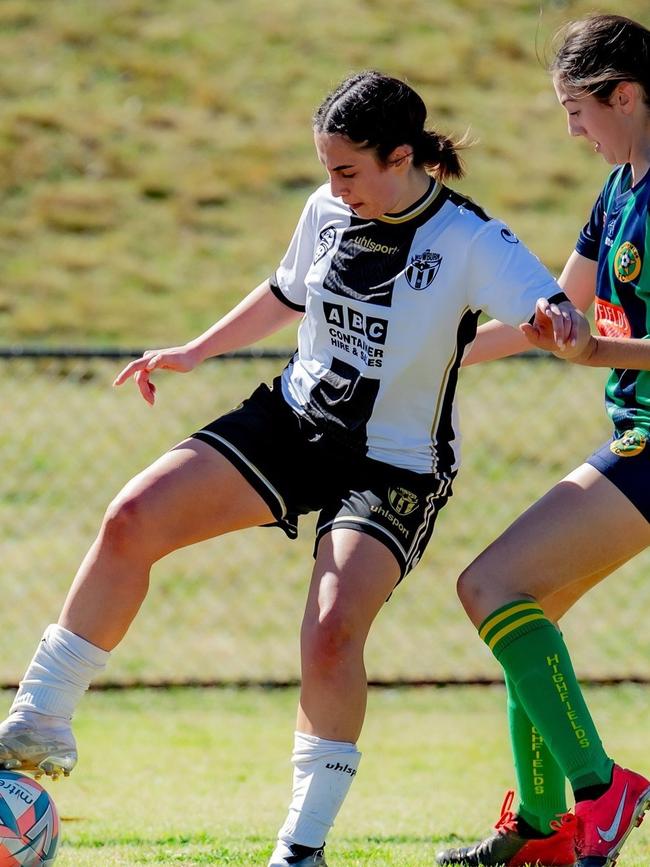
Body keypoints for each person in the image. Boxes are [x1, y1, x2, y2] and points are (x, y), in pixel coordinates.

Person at [0, 71, 582, 867]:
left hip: (395, 465)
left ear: (400, 157)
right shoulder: (328, 208)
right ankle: (39, 719)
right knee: (131, 517)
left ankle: (298, 851)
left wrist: (555, 318)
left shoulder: (470, 240)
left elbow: (549, 306)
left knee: (333, 632)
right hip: (295, 420)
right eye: (327, 170)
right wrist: (195, 349)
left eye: (347, 170)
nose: (334, 188)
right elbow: (286, 293)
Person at [436, 13, 650, 867]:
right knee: (529, 610)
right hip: (638, 433)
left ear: (624, 94)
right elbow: (549, 318)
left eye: (576, 109)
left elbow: (587, 340)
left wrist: (600, 350)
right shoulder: (619, 188)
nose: (571, 129)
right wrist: (436, 355)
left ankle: (603, 792)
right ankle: (541, 826)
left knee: (489, 584)